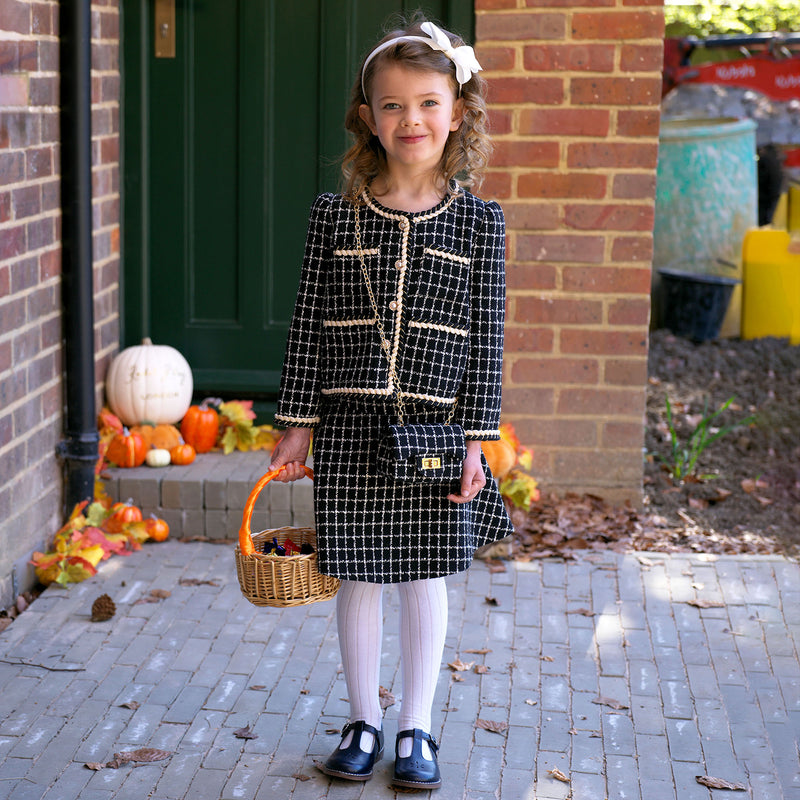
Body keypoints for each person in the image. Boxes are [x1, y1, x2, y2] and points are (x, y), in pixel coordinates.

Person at [268, 14, 513, 791]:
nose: (413, 120)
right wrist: (295, 424)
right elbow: (307, 322)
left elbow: (488, 342)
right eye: (394, 105)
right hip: (347, 427)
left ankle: (416, 725)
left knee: (423, 576)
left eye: (430, 102)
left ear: (459, 110)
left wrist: (477, 439)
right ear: (367, 118)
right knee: (360, 573)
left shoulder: (481, 223)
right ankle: (362, 720)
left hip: (436, 432)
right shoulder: (332, 215)